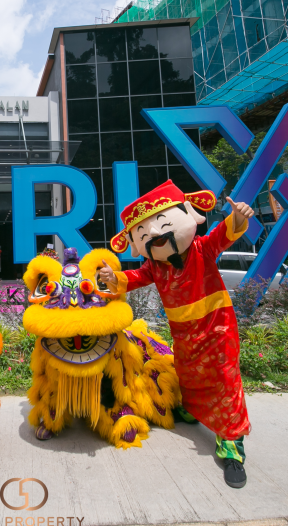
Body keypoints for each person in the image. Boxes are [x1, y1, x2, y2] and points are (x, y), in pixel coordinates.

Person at [99, 180, 254, 489]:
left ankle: (231, 445)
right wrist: (111, 277)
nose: (155, 234)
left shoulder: (202, 250)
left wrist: (239, 217)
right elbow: (133, 277)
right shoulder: (154, 268)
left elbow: (223, 235)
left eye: (162, 224)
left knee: (225, 379)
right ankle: (192, 408)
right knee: (188, 373)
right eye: (144, 233)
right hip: (184, 333)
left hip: (217, 326)